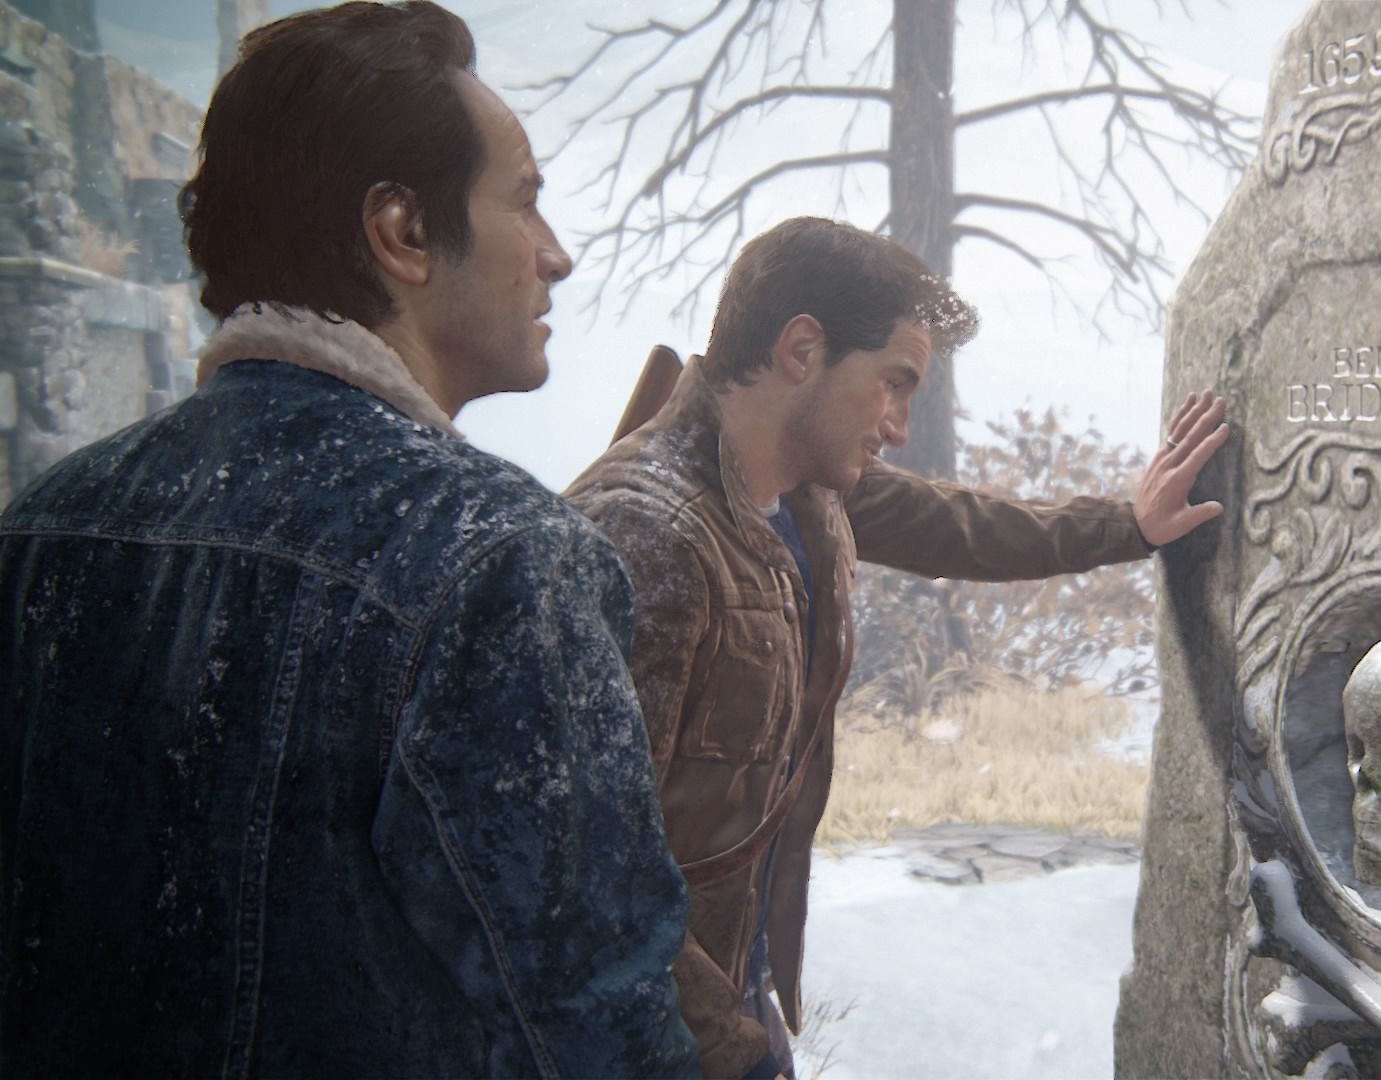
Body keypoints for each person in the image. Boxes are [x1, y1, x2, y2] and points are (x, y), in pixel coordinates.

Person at [0, 4, 696, 1076]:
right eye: (526, 201)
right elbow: (598, 1034)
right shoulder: (504, 562)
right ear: (403, 233)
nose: (556, 255)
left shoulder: (40, 528)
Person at [565, 216, 1231, 1078]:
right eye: (892, 383)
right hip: (651, 1027)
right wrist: (734, 1055)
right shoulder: (644, 535)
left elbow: (964, 526)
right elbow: (591, 868)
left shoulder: (808, 492)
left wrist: (1129, 525)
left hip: (733, 981)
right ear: (802, 349)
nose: (899, 423)